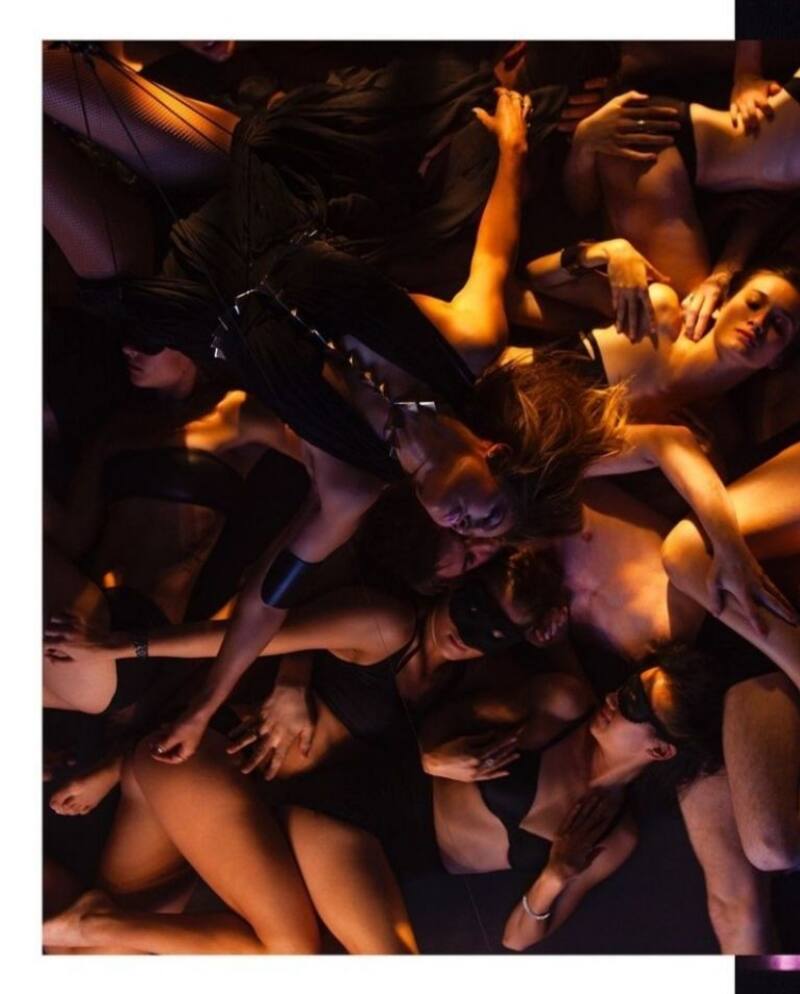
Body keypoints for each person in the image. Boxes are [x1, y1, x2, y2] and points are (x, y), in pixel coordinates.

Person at [41, 553, 564, 954]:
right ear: (455, 583)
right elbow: (243, 638)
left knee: (100, 959)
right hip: (202, 761)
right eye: (474, 609)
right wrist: (120, 646)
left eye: (496, 632)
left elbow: (566, 696)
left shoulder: (466, 682)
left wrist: (552, 633)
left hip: (218, 798)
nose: (470, 634)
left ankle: (90, 925)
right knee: (291, 950)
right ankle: (92, 921)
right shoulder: (385, 625)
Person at [506, 242, 800, 421]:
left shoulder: (706, 428)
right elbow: (535, 277)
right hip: (499, 375)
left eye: (779, 325)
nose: (759, 322)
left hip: (514, 454)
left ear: (780, 358)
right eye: (753, 303)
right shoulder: (657, 312)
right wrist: (604, 251)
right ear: (724, 302)